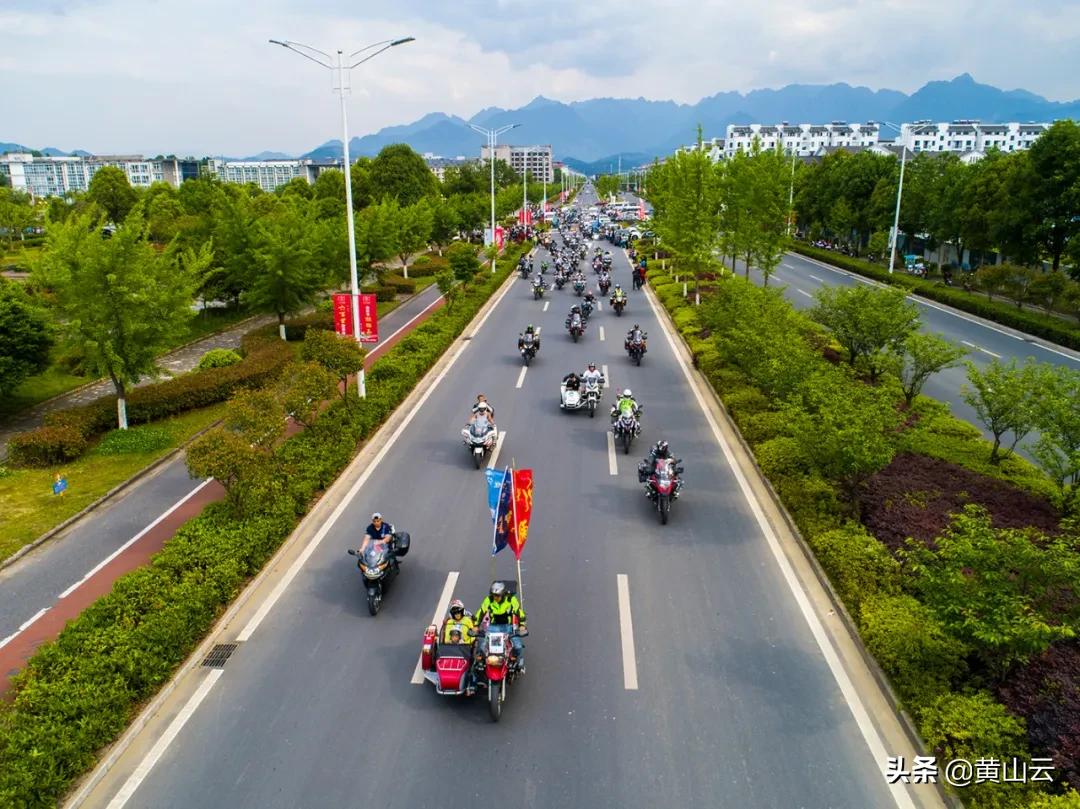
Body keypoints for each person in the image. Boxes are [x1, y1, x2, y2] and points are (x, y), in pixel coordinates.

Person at [476, 581, 527, 670]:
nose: (495, 597)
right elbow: (481, 612)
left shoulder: (511, 600)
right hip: (492, 628)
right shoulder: (489, 600)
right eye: (494, 595)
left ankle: (517, 661)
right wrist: (475, 625)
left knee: (518, 646)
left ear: (502, 594)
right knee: (481, 646)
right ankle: (481, 664)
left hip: (508, 627)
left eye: (497, 595)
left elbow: (519, 612)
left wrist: (522, 625)